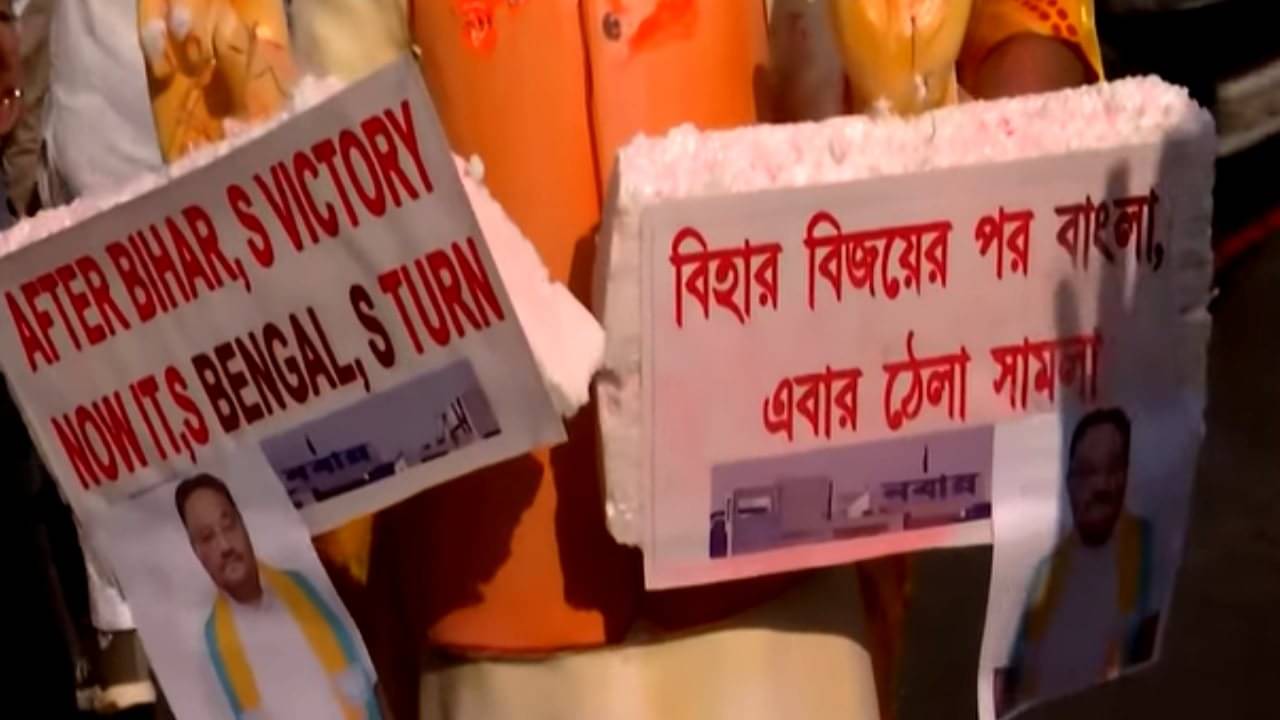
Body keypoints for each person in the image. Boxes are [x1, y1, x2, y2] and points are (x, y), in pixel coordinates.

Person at [175, 473, 380, 720]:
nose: (225, 546)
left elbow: (378, 681)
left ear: (243, 524)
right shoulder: (207, 655)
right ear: (196, 552)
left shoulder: (311, 588)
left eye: (228, 526)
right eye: (208, 537)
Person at [999, 408, 1158, 716]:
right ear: (1069, 483)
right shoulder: (1045, 573)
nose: (1101, 486)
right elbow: (1012, 679)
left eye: (1114, 468)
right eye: (1086, 472)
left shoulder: (1151, 551)